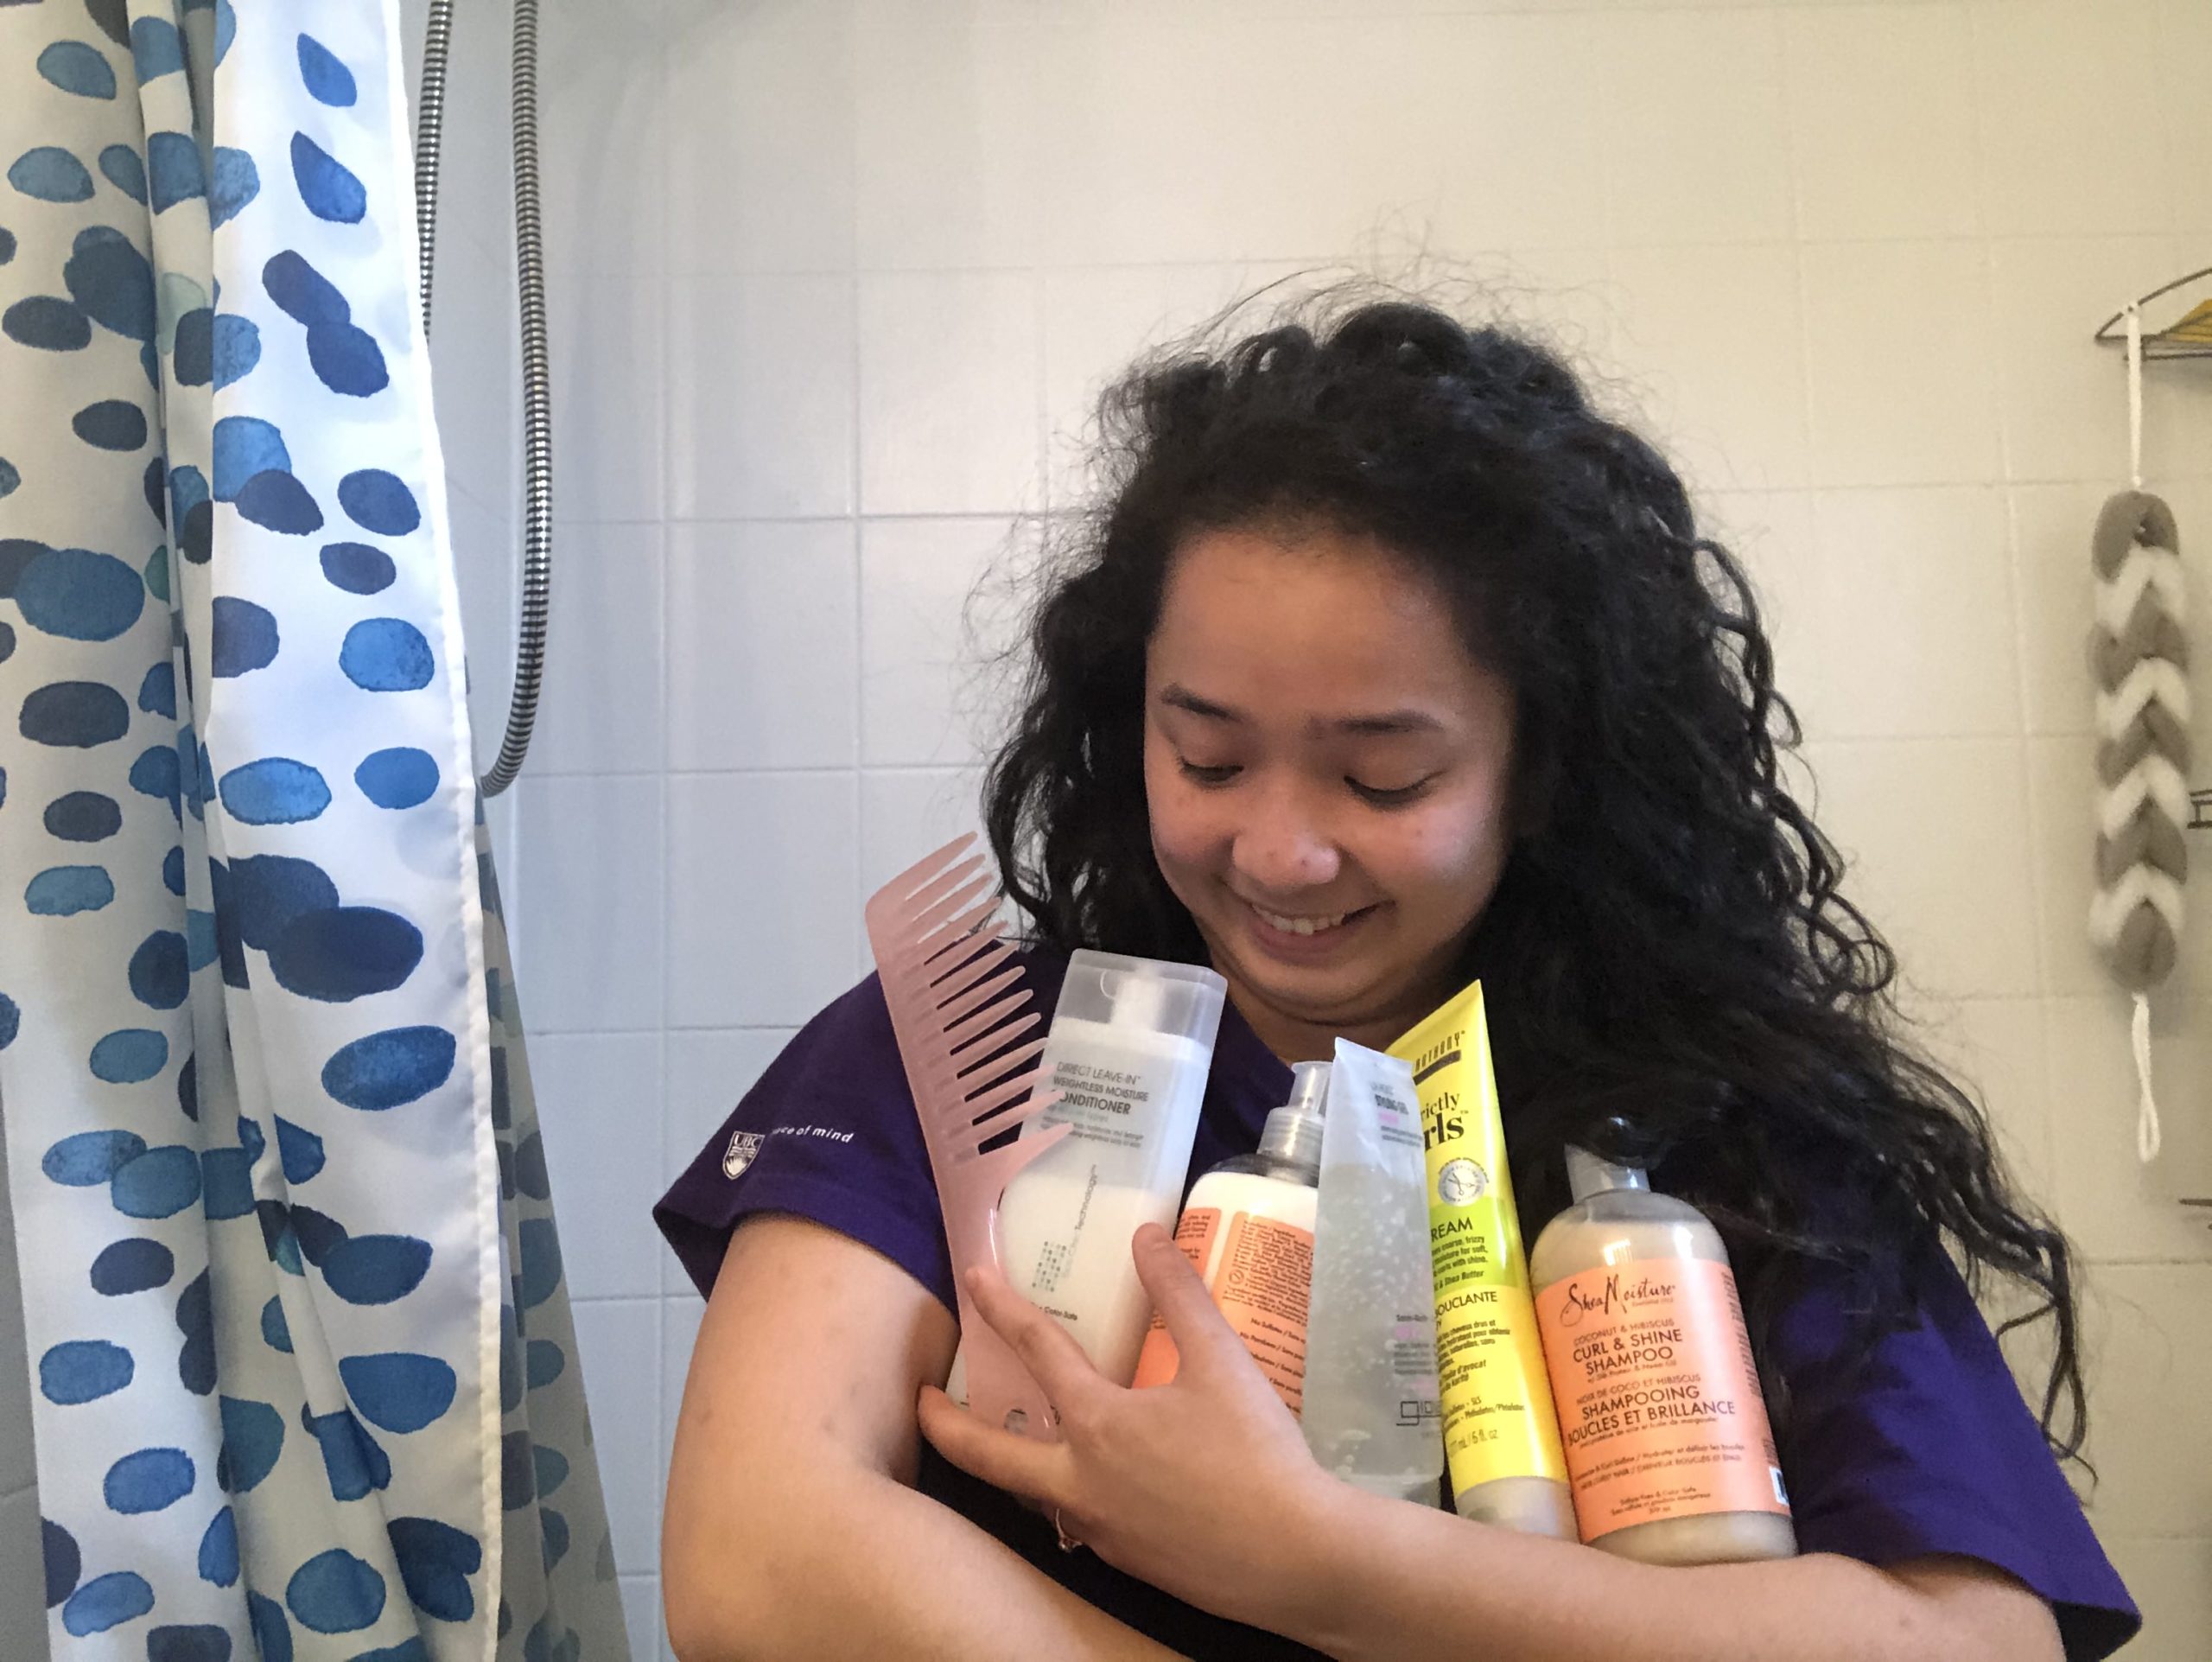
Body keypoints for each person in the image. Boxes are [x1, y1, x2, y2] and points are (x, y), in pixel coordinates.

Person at [654, 296, 2139, 1661]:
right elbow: (756, 1559)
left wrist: (1322, 1565)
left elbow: (1975, 1644)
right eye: (1210, 756)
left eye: (1384, 776)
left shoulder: (1728, 1130)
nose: (1281, 852)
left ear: (1541, 770)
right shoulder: (968, 1054)